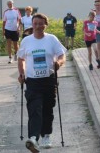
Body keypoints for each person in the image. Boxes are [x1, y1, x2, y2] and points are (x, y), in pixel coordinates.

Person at [17, 13, 66, 152]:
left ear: (45, 25)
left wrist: (59, 63)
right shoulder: (26, 41)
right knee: (34, 108)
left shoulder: (52, 39)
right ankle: (33, 138)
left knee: (47, 108)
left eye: (40, 24)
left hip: (49, 79)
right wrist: (21, 73)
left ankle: (46, 136)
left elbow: (62, 55)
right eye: (35, 23)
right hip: (32, 81)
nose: (38, 26)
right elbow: (21, 59)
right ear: (32, 25)